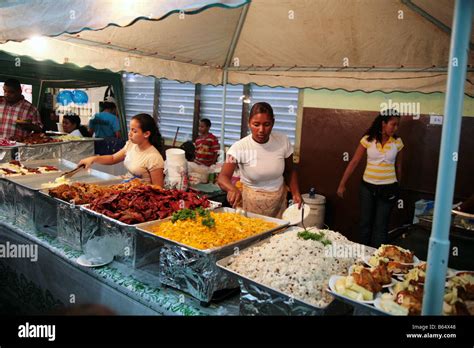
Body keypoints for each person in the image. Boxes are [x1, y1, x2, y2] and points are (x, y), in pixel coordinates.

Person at [217, 102, 302, 218]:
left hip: (277, 203)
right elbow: (223, 177)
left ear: (273, 123)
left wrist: (295, 193)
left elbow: (290, 171)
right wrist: (232, 189)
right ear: (249, 123)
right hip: (249, 203)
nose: (261, 130)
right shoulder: (239, 148)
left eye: (266, 124)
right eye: (256, 124)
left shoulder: (283, 141)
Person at [337, 110, 404, 247]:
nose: (396, 128)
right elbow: (354, 161)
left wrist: (398, 187)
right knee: (365, 223)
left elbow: (399, 167)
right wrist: (342, 184)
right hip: (367, 187)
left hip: (388, 189)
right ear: (383, 123)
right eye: (393, 124)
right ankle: (362, 258)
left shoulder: (397, 142)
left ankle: (377, 260)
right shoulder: (368, 139)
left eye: (397, 125)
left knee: (381, 226)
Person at [79, 113, 164, 186]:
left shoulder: (154, 157)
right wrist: (93, 159)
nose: (129, 134)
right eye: (130, 129)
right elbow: (113, 158)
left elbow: (158, 188)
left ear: (146, 134)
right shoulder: (131, 145)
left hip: (139, 195)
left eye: (134, 131)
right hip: (125, 186)